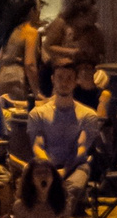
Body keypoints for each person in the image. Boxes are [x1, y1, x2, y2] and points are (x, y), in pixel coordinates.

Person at [26, 59, 102, 209]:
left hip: (75, 165)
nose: (64, 82)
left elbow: (81, 149)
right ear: (53, 79)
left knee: (71, 189)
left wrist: (65, 171)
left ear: (76, 82)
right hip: (46, 165)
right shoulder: (38, 114)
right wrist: (52, 171)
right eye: (60, 77)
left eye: (69, 78)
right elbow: (38, 146)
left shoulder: (87, 115)